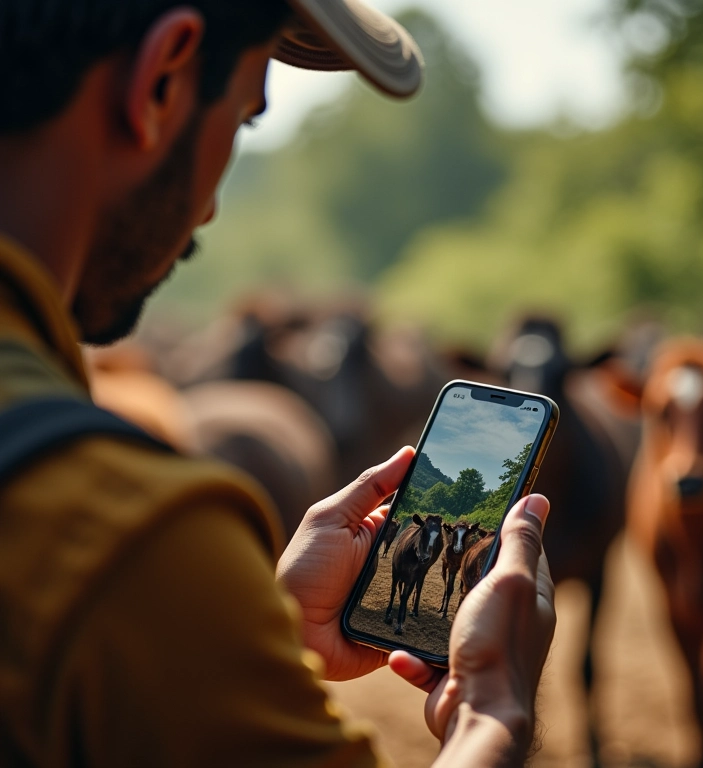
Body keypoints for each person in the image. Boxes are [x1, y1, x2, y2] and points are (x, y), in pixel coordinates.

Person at [0, 1, 556, 766]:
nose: (215, 204)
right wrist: (494, 712)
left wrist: (247, 636)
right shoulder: (125, 539)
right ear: (162, 81)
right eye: (246, 117)